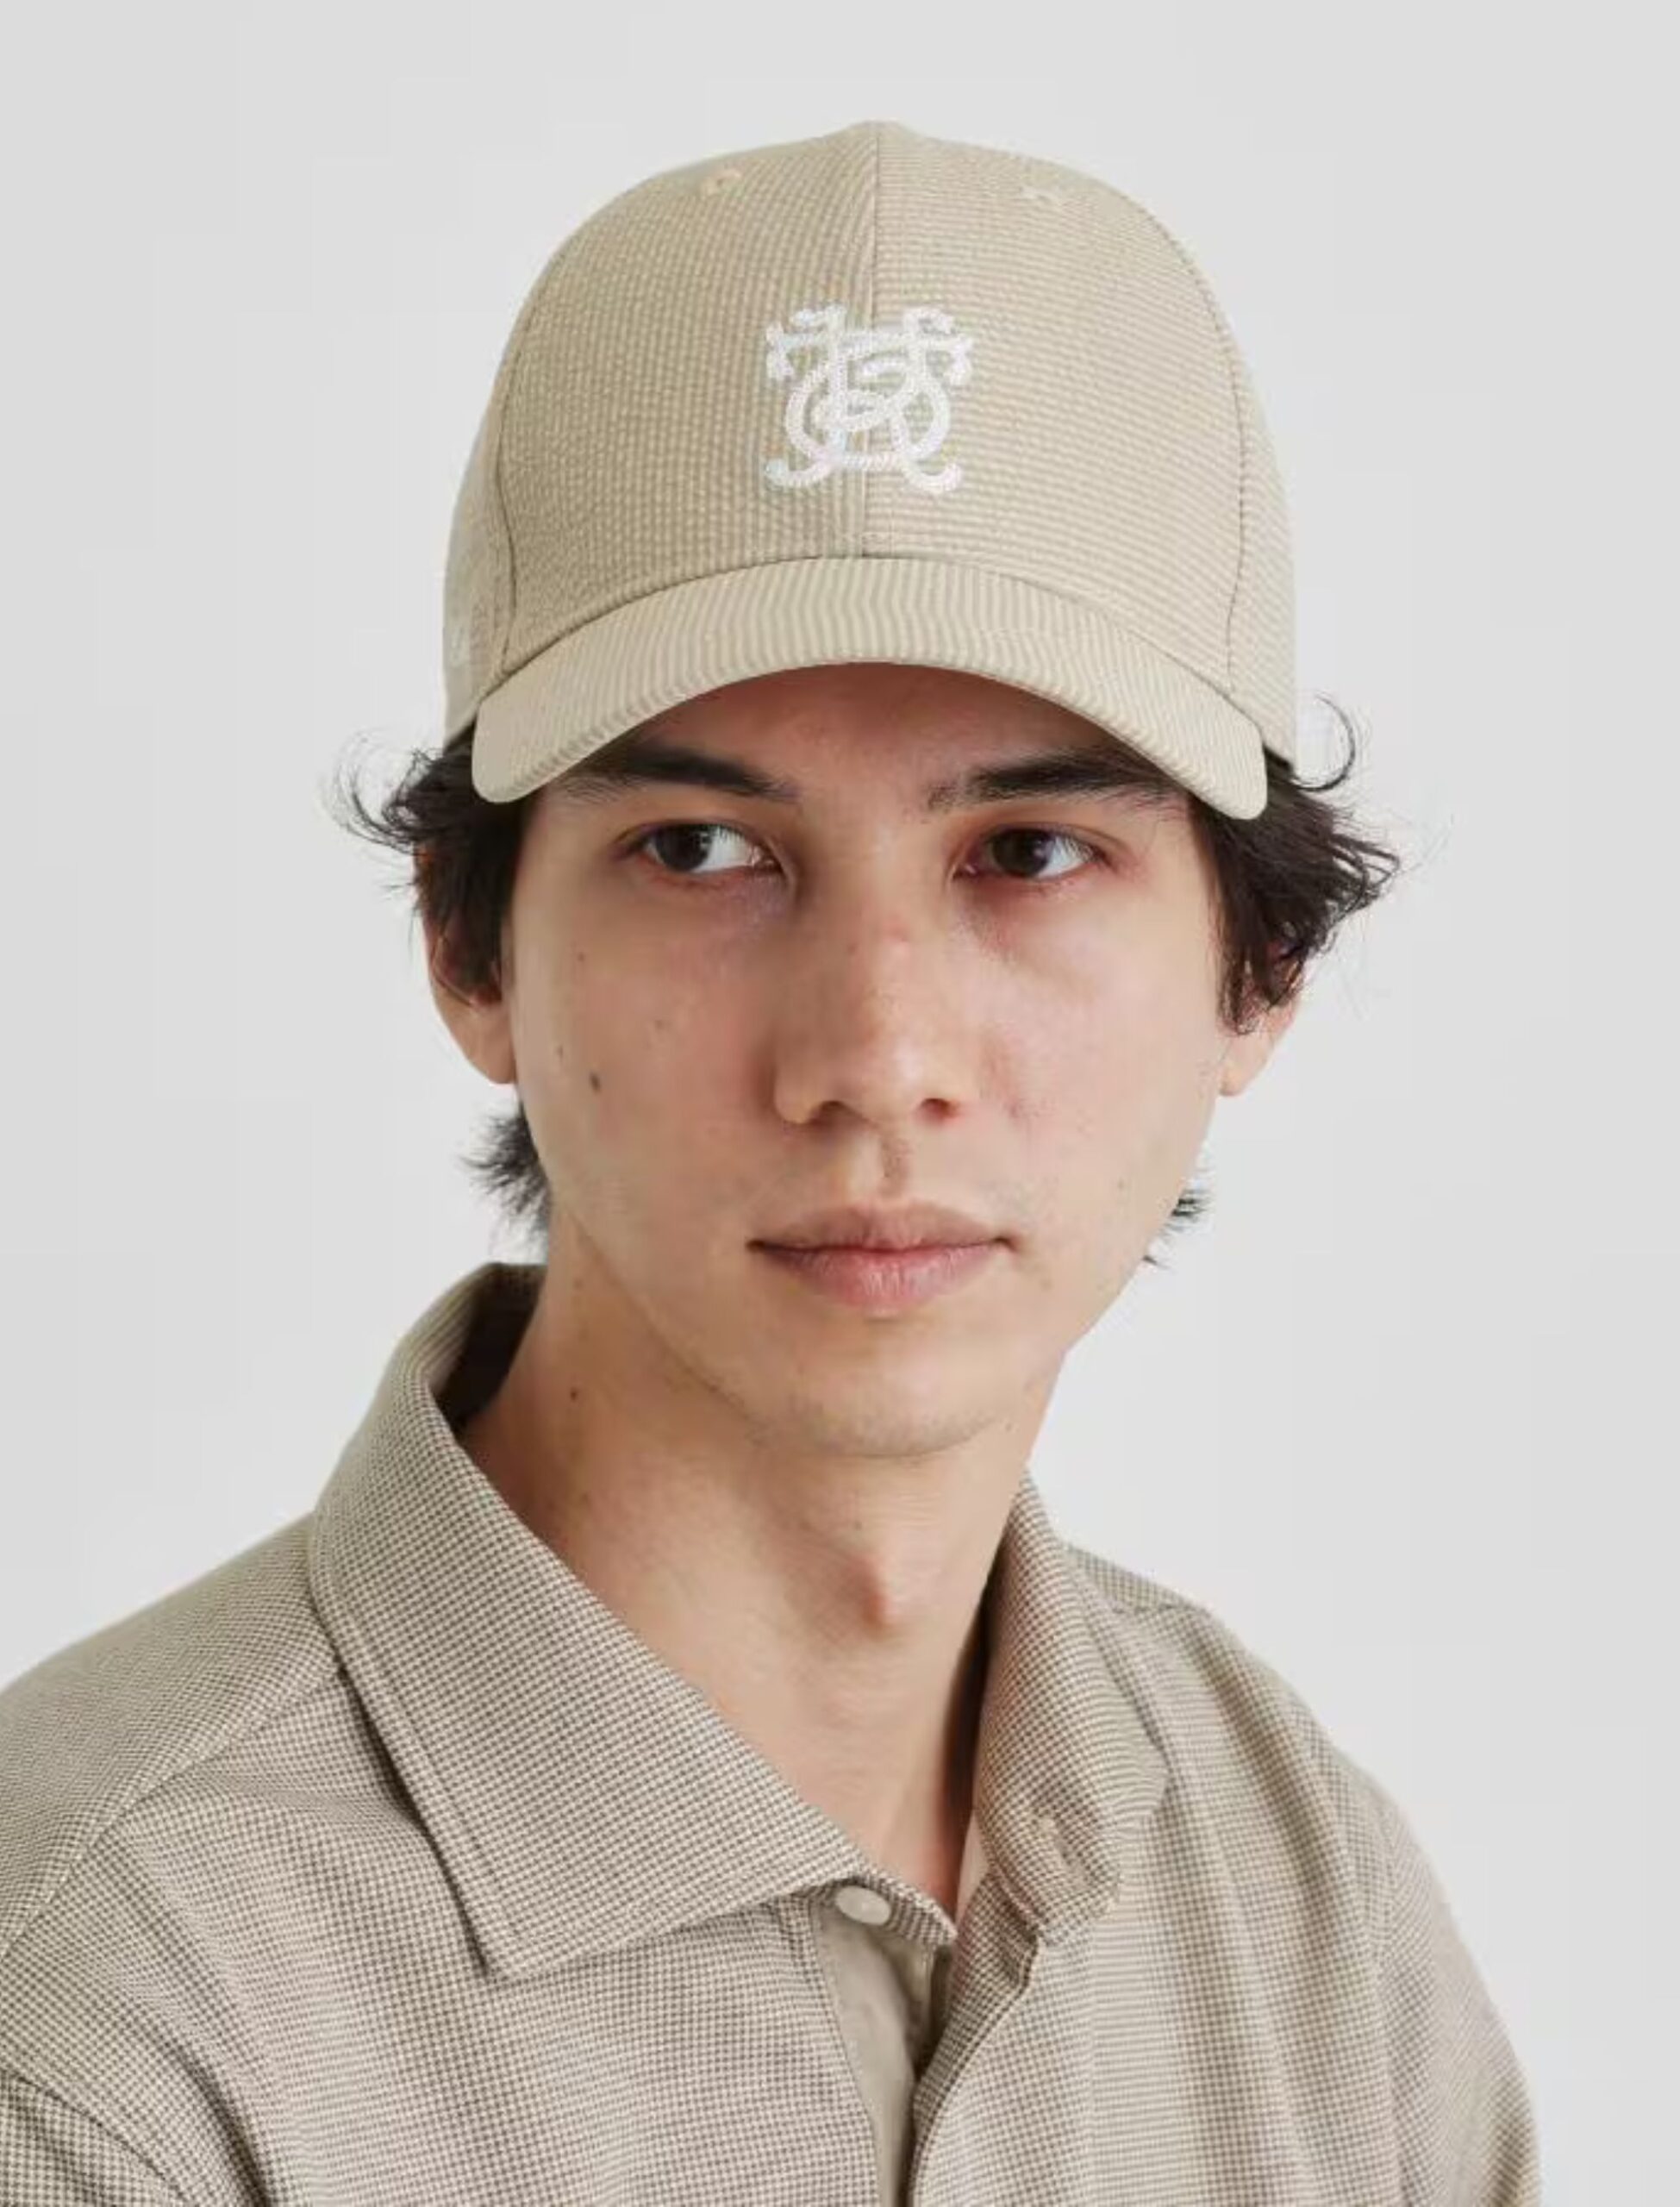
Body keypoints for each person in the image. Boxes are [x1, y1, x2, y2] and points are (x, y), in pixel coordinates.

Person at [0, 119, 1541, 2204]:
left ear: (1258, 964)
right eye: (705, 849)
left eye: (1028, 851)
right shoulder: (103, 2012)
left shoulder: (1299, 1910)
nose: (877, 1058)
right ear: (471, 947)